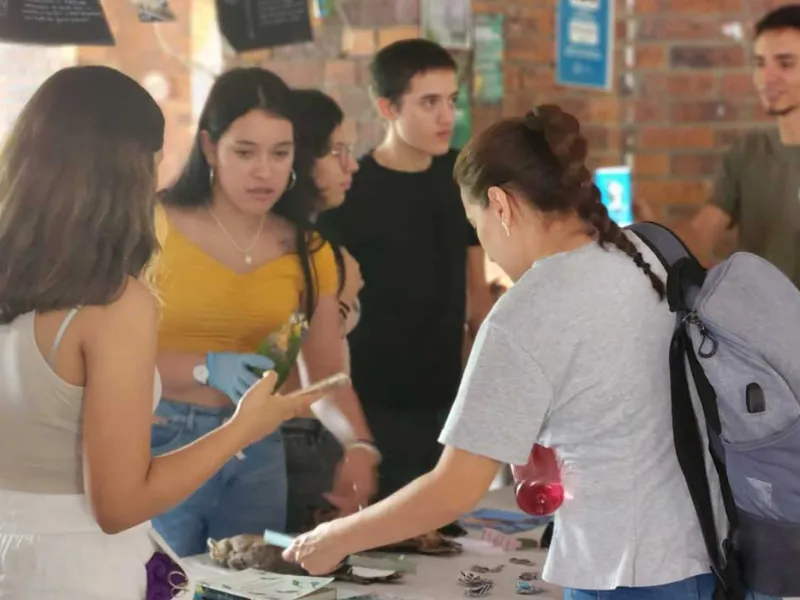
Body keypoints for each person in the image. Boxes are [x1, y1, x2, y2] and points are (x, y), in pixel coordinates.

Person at [282, 105, 780, 600]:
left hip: (624, 570)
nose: (489, 250)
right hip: (712, 549)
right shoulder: (644, 253)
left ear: (500, 205)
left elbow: (454, 488)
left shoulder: (525, 313)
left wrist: (335, 538)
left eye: (477, 226)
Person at [0, 66, 321, 599]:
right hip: (80, 572)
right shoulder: (113, 303)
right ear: (128, 172)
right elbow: (119, 505)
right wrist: (244, 427)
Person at [151, 67, 377, 555]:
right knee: (155, 584)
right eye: (245, 152)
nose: (264, 171)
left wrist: (357, 444)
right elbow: (101, 358)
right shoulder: (151, 227)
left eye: (281, 153)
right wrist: (203, 365)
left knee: (252, 584)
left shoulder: (308, 250)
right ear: (210, 148)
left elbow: (325, 374)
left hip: (258, 445)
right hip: (160, 437)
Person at [318, 39, 494, 501]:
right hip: (374, 400)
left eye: (451, 101)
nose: (445, 117)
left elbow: (477, 290)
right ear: (387, 107)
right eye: (428, 102)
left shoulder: (462, 175)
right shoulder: (352, 192)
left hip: (447, 398)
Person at [637, 4, 800, 289]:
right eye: (760, 63)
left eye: (785, 64)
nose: (767, 78)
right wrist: (651, 227)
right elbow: (701, 235)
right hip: (758, 325)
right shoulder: (746, 153)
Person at [282, 88, 364, 532]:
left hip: (318, 432)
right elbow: (294, 354)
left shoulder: (321, 248)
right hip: (293, 435)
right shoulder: (286, 250)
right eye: (336, 152)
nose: (350, 165)